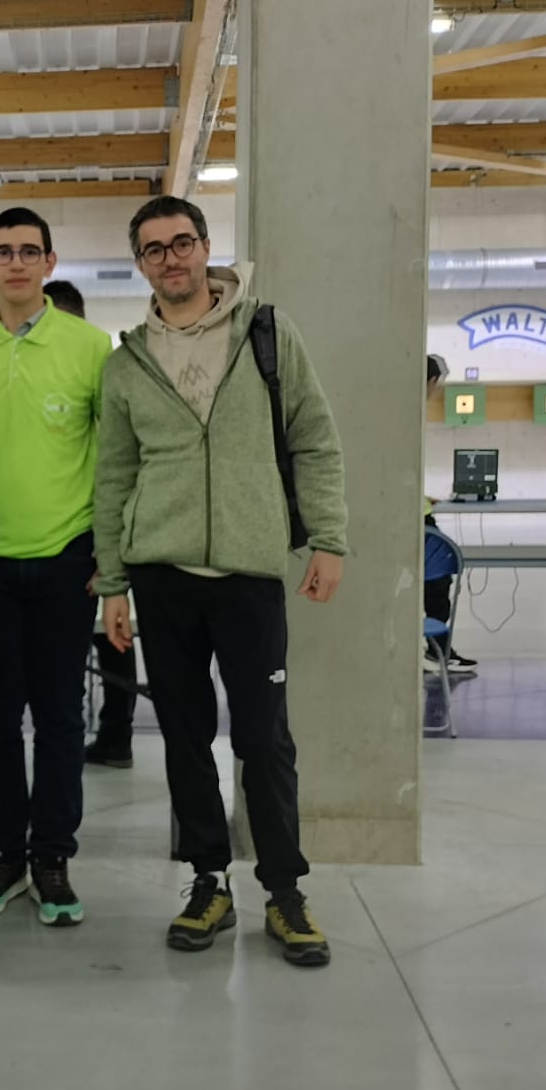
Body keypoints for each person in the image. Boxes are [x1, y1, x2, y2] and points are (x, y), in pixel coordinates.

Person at [94, 196, 348, 969]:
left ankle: (284, 889)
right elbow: (113, 476)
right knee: (184, 736)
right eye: (154, 249)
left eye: (182, 242)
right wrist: (112, 582)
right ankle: (208, 881)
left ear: (206, 248)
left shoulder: (266, 334)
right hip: (161, 575)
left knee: (264, 738)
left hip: (249, 573)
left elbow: (314, 438)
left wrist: (329, 539)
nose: (170, 258)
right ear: (140, 265)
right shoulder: (127, 363)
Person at [0, 208, 113, 926]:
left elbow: (117, 459)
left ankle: (53, 857)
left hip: (68, 561)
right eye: (3, 252)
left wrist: (109, 554)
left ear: (49, 262)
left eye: (29, 251)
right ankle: (6, 852)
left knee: (62, 716)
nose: (16, 263)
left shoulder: (90, 347)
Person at [43, 280, 142, 768]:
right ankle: (111, 735)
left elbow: (120, 464)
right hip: (66, 533)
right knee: (100, 640)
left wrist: (111, 548)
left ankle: (116, 734)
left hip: (100, 531)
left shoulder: (103, 372)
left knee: (112, 634)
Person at [422, 354, 475, 677]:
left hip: (416, 515)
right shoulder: (411, 415)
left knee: (434, 585)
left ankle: (436, 648)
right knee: (437, 583)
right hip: (419, 524)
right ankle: (439, 650)